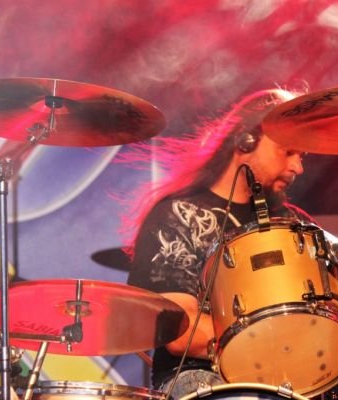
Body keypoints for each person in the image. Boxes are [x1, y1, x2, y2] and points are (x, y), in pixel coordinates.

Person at [126, 87, 315, 398]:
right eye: (288, 152)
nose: (298, 167)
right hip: (201, 376)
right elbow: (183, 333)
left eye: (302, 156)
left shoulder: (292, 226)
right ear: (246, 141)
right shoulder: (178, 216)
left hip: (289, 379)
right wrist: (280, 345)